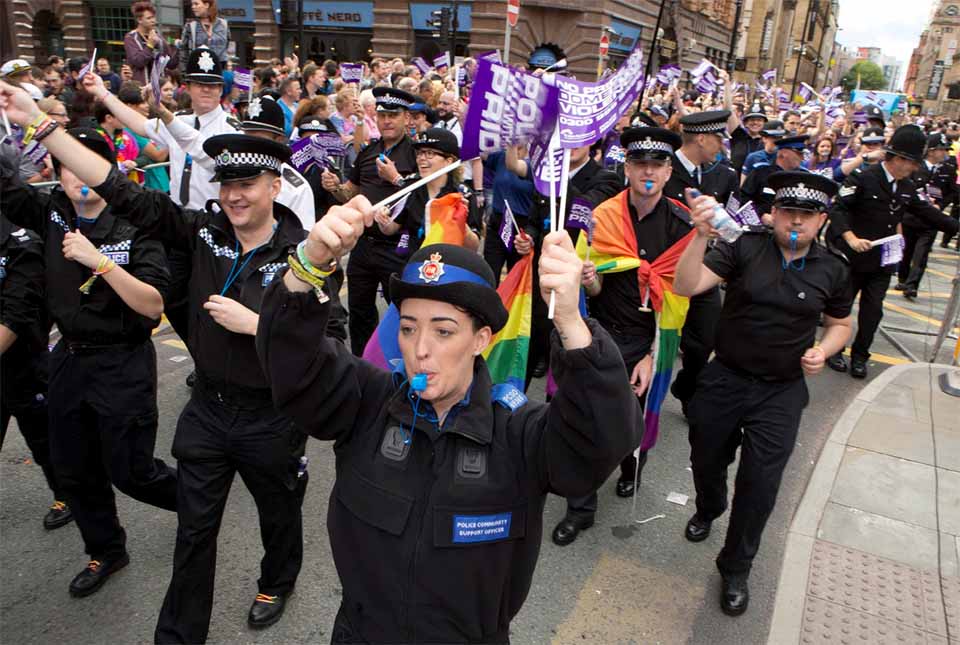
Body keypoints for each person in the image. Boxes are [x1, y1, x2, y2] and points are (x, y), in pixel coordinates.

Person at [255, 208, 640, 643]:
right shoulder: (367, 403)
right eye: (407, 327)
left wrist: (570, 320)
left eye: (443, 331)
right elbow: (291, 366)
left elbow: (602, 441)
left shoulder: (518, 434)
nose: (420, 349)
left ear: (480, 340)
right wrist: (307, 266)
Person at [10, 114, 317, 636]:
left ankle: (277, 580)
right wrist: (41, 126)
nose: (234, 196)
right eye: (226, 185)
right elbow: (119, 190)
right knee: (194, 535)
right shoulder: (197, 233)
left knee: (278, 512)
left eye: (246, 184)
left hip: (272, 418)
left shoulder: (307, 255)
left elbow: (326, 346)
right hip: (209, 414)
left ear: (274, 184)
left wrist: (259, 326)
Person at [0, 110, 178, 598]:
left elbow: (153, 304)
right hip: (69, 360)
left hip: (123, 361)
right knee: (74, 468)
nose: (79, 175)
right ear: (57, 172)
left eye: (92, 162)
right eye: (68, 165)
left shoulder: (136, 224)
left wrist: (100, 264)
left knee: (132, 471)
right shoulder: (51, 210)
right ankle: (106, 551)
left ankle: (197, 504)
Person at [673, 171, 852, 617]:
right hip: (725, 380)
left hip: (781, 392)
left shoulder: (834, 268)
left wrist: (823, 350)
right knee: (707, 458)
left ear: (821, 221)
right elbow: (686, 286)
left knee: (760, 486)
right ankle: (710, 505)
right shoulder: (744, 246)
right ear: (772, 214)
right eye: (788, 211)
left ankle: (736, 567)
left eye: (806, 215)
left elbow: (841, 324)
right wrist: (698, 237)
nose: (795, 221)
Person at [548, 128, 687, 546]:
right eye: (640, 163)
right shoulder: (600, 215)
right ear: (626, 168)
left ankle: (631, 467)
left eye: (657, 165)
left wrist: (652, 356)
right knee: (582, 415)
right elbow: (589, 290)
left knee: (633, 419)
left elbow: (679, 305)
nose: (648, 171)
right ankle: (580, 507)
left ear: (667, 172)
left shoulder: (681, 224)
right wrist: (589, 280)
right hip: (598, 334)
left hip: (647, 342)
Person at [826, 125, 959, 379]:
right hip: (853, 258)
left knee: (872, 311)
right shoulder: (864, 178)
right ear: (898, 159)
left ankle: (860, 356)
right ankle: (834, 350)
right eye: (911, 163)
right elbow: (838, 209)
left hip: (881, 262)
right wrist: (851, 237)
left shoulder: (907, 186)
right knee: (841, 308)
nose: (914, 169)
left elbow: (929, 213)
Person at [320, 86, 419, 355]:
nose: (387, 120)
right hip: (364, 244)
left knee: (403, 312)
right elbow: (349, 192)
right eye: (383, 114)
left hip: (398, 246)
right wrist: (334, 187)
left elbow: (422, 199)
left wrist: (395, 177)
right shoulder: (368, 151)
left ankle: (402, 364)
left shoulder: (415, 153)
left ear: (406, 118)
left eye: (393, 115)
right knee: (360, 310)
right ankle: (362, 364)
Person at [0, 214, 73, 531]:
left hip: (25, 364)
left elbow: (16, 314)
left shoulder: (22, 243)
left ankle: (68, 495)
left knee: (43, 440)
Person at [373, 128, 479, 256]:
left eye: (429, 153)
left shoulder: (463, 195)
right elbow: (391, 229)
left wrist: (461, 223)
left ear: (448, 161)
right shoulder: (410, 187)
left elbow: (473, 247)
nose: (421, 158)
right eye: (419, 153)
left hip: (448, 267)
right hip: (414, 265)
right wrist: (383, 220)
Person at [897, 132, 953, 299]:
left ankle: (912, 285)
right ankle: (903, 277)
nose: (945, 153)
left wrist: (940, 205)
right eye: (942, 150)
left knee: (922, 253)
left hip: (930, 220)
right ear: (931, 151)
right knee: (907, 250)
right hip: (911, 216)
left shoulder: (947, 170)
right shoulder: (916, 166)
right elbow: (907, 187)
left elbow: (952, 192)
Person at [117, 83, 170, 192]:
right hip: (152, 186)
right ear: (129, 106)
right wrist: (173, 137)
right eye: (142, 102)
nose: (147, 106)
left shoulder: (147, 125)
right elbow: (158, 156)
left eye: (147, 102)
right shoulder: (131, 130)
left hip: (161, 182)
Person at [741, 135, 810, 219]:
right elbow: (743, 199)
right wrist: (761, 215)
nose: (802, 158)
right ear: (784, 153)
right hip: (762, 228)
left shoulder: (804, 177)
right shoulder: (760, 173)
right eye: (799, 153)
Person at [124, 1, 179, 84]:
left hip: (159, 88)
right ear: (139, 20)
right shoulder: (131, 38)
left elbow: (170, 64)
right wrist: (150, 45)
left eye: (153, 17)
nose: (153, 20)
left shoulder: (159, 38)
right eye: (149, 18)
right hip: (141, 87)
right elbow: (138, 62)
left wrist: (179, 50)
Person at [180, 0, 230, 67]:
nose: (193, 7)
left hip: (218, 72)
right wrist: (184, 72)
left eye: (196, 4)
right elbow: (183, 50)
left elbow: (226, 45)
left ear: (206, 5)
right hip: (197, 70)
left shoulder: (223, 24)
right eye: (192, 4)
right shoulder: (191, 25)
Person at [729, 100, 768, 178]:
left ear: (764, 123)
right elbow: (728, 111)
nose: (755, 122)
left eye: (759, 120)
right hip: (735, 184)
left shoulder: (768, 142)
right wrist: (728, 87)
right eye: (752, 120)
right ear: (745, 123)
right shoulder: (738, 136)